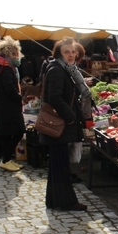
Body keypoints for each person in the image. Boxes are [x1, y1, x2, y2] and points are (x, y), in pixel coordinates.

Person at [38, 37, 86, 211]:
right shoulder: (57, 70)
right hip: (60, 124)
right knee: (60, 165)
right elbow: (54, 98)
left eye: (74, 52)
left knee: (58, 165)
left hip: (63, 123)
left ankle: (54, 200)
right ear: (59, 53)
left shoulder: (66, 69)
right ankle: (66, 202)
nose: (71, 55)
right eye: (67, 52)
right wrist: (71, 117)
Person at [0, 37, 25, 172]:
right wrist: (20, 98)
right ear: (9, 53)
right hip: (8, 106)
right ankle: (6, 160)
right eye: (15, 54)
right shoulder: (6, 68)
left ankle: (7, 159)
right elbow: (9, 88)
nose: (17, 56)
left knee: (7, 133)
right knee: (19, 131)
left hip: (1, 106)